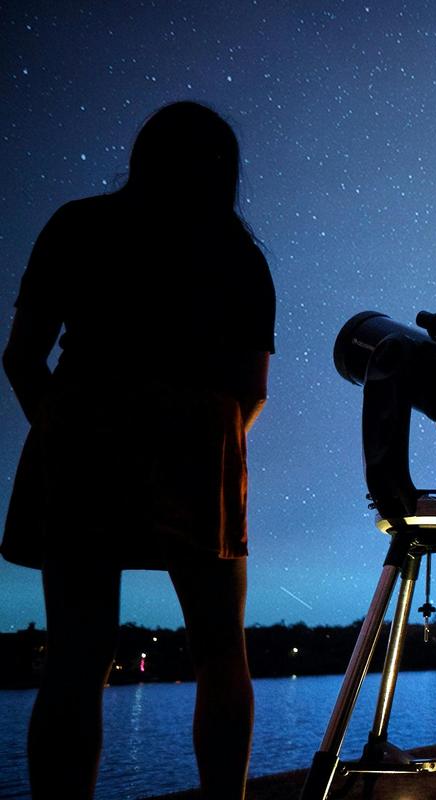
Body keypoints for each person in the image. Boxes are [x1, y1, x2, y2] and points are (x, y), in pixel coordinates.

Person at [2, 102, 275, 799]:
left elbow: (22, 356)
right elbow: (251, 391)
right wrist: (205, 450)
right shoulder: (238, 256)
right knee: (221, 651)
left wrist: (62, 431)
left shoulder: (78, 225)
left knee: (75, 656)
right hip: (195, 446)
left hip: (84, 441)